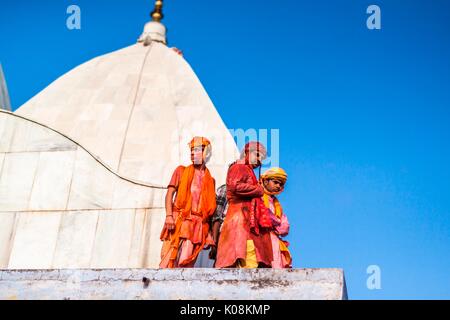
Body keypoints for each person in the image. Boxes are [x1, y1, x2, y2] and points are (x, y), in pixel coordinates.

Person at [159, 136, 217, 268]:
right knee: (168, 260)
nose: (192, 153)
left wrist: (209, 234)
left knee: (186, 263)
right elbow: (169, 195)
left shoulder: (211, 180)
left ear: (206, 153)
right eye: (191, 150)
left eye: (197, 150)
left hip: (197, 226)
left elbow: (209, 210)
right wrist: (168, 216)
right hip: (179, 220)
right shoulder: (181, 171)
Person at [215, 141, 273, 268]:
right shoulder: (239, 167)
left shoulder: (247, 169)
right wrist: (258, 190)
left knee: (248, 256)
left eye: (262, 158)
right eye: (258, 155)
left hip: (245, 220)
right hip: (240, 220)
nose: (260, 161)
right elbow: (235, 186)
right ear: (248, 152)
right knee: (243, 254)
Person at [260, 167, 292, 268]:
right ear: (265, 181)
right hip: (260, 236)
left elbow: (285, 227)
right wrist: (276, 222)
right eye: (276, 182)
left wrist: (274, 222)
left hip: (274, 239)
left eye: (281, 184)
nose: (278, 186)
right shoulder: (257, 197)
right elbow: (263, 215)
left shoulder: (277, 204)